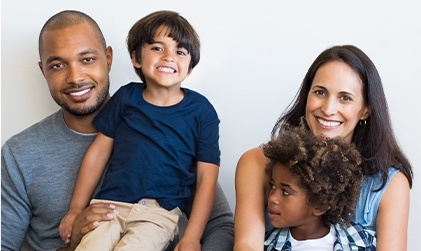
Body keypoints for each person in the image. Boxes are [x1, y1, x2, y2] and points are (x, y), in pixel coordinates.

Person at [1, 10, 234, 251]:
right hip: (107, 218)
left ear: (109, 58)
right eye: (58, 65)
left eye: (87, 59)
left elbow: (221, 225)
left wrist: (191, 239)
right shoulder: (18, 154)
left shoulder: (182, 126)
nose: (76, 77)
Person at [60, 10, 220, 251]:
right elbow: (97, 154)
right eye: (157, 48)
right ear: (136, 58)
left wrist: (192, 237)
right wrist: (76, 208)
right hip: (108, 207)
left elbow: (207, 178)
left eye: (180, 52)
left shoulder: (202, 111)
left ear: (190, 66)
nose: (168, 57)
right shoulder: (126, 97)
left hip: (157, 215)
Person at [234, 45, 412, 251]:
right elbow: (247, 244)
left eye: (345, 98)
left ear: (365, 110)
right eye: (320, 92)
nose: (328, 109)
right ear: (307, 95)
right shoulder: (256, 163)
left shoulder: (389, 184)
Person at [262, 124, 376, 250]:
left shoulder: (359, 240)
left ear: (320, 205)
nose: (272, 198)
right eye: (272, 186)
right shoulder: (266, 246)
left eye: (286, 192)